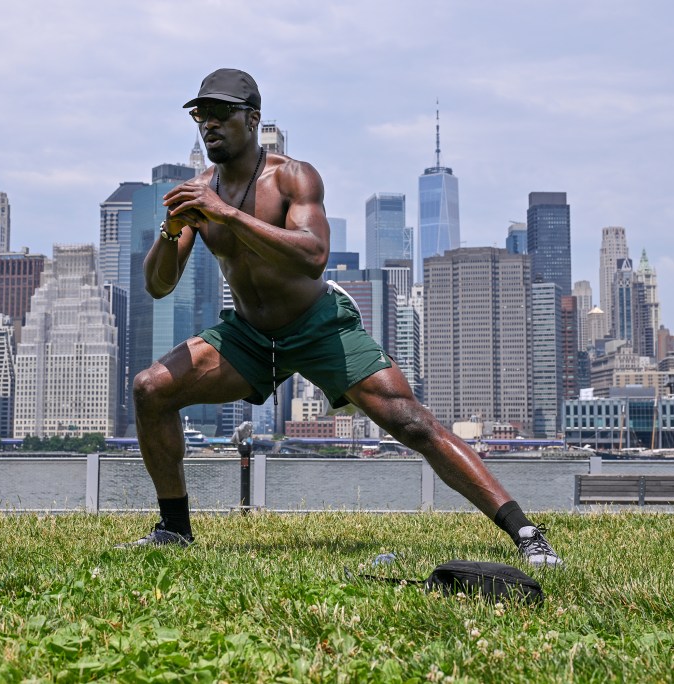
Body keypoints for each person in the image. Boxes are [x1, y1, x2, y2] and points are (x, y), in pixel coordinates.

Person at [118, 68, 562, 567]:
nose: (209, 124)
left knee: (411, 423)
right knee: (149, 388)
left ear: (252, 118)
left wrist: (227, 215)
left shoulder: (291, 176)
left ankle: (525, 532)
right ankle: (174, 529)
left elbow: (313, 255)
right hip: (247, 333)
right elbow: (158, 285)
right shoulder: (197, 191)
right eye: (201, 114)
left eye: (221, 112)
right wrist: (170, 226)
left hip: (316, 325)